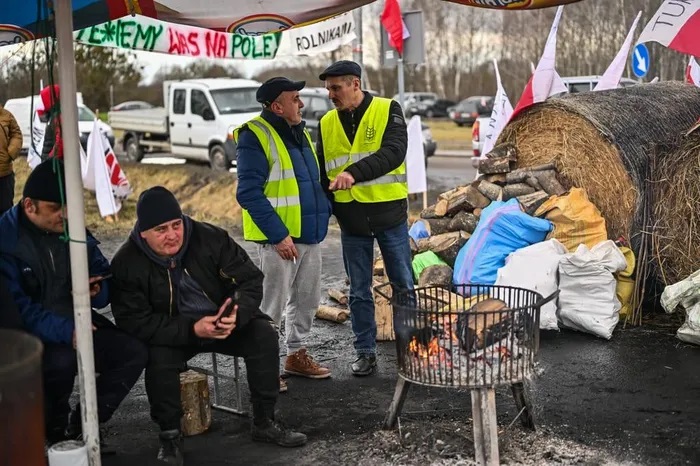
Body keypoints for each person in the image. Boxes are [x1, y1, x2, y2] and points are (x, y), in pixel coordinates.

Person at [110, 187, 307, 465]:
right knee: (158, 359)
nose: (172, 235)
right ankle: (169, 436)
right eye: (161, 230)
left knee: (263, 334)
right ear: (143, 232)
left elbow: (249, 280)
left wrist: (234, 314)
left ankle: (265, 421)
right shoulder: (126, 263)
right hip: (173, 332)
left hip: (221, 322)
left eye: (176, 225)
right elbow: (134, 322)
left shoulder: (210, 238)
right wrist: (192, 329)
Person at [0, 159, 147, 452]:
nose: (64, 216)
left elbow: (102, 273)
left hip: (76, 318)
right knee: (61, 362)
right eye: (56, 208)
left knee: (132, 353)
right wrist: (68, 331)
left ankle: (83, 425)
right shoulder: (6, 242)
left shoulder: (72, 225)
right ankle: (53, 435)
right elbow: (17, 310)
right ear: (30, 206)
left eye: (68, 207)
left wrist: (96, 289)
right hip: (25, 335)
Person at [316, 60, 414, 376]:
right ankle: (364, 352)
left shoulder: (388, 109)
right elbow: (322, 174)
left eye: (336, 87)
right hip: (352, 221)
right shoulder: (326, 122)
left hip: (389, 215)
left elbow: (395, 151)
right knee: (358, 290)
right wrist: (327, 208)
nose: (331, 94)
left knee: (403, 284)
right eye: (328, 88)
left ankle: (410, 348)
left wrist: (353, 174)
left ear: (355, 84)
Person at [235, 77, 332, 390]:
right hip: (279, 241)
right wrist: (277, 235)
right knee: (271, 307)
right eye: (295, 98)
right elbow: (248, 193)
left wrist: (325, 212)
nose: (301, 104)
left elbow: (311, 184)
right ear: (277, 106)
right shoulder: (255, 136)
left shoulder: (299, 132)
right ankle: (265, 367)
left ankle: (295, 355)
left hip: (309, 234)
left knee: (307, 301)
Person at [0, 103, 22, 214]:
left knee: (5, 210)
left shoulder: (6, 115)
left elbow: (16, 134)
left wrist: (11, 153)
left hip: (4, 174)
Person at [38, 84, 64, 161]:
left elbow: (60, 142)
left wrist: (50, 159)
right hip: (50, 161)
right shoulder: (53, 116)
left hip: (53, 164)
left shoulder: (58, 117)